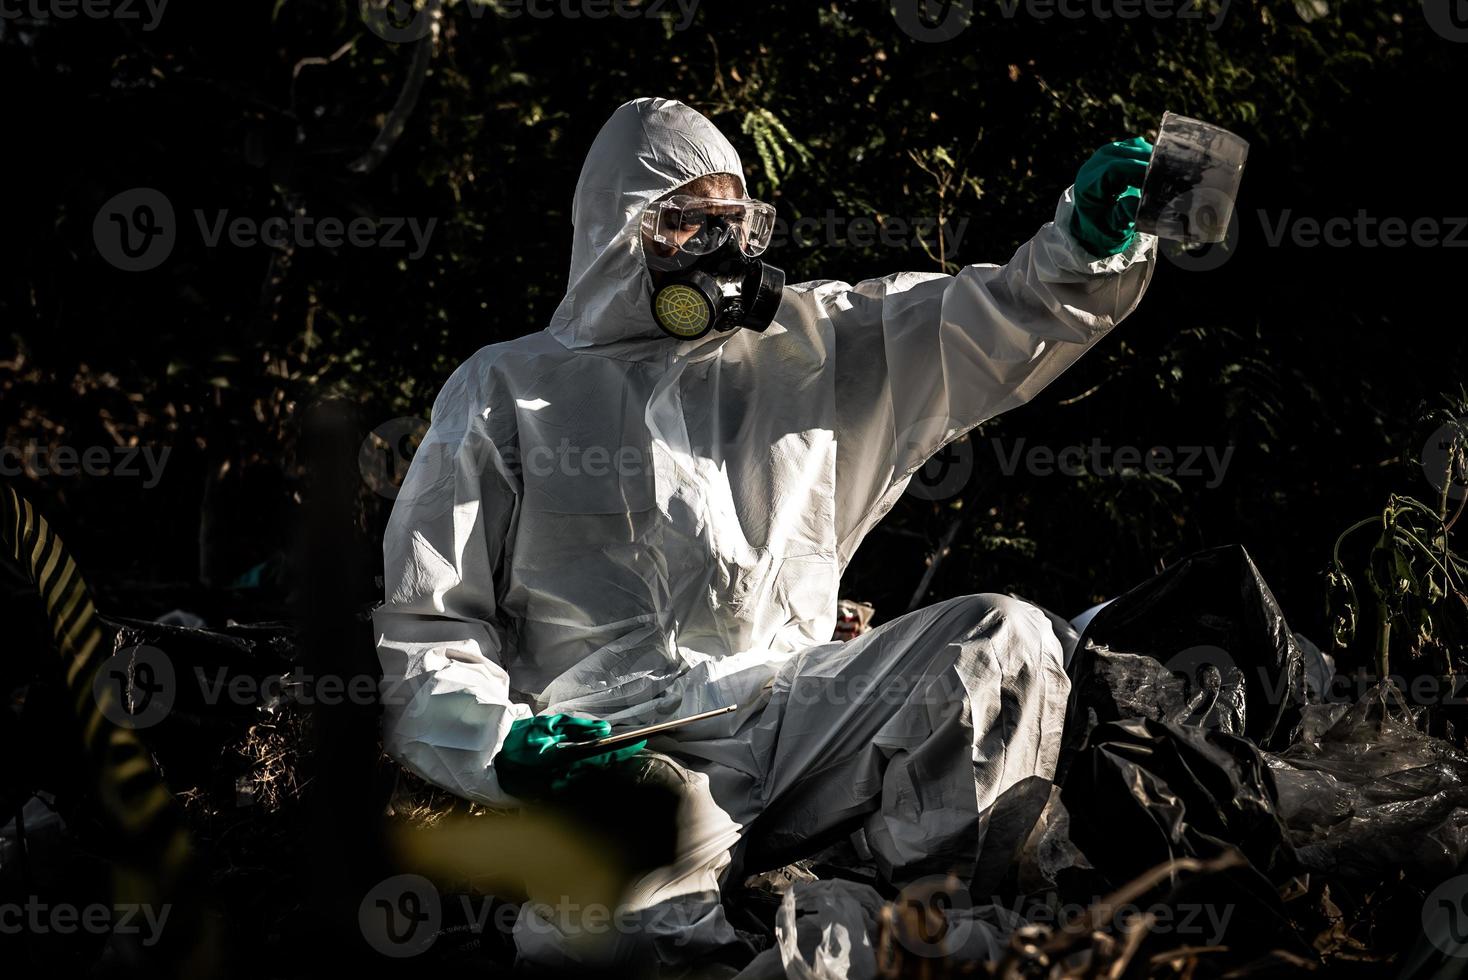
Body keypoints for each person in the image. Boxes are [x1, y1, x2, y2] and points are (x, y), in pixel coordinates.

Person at [373, 96, 1155, 969]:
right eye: (687, 223)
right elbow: (428, 627)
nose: (723, 250)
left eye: (735, 222)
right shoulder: (506, 390)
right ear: (616, 232)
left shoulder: (812, 345)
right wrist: (502, 743)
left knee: (1000, 637)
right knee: (597, 941)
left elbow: (990, 321)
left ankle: (929, 914)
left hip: (803, 706)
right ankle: (815, 926)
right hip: (635, 754)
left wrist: (1086, 247)